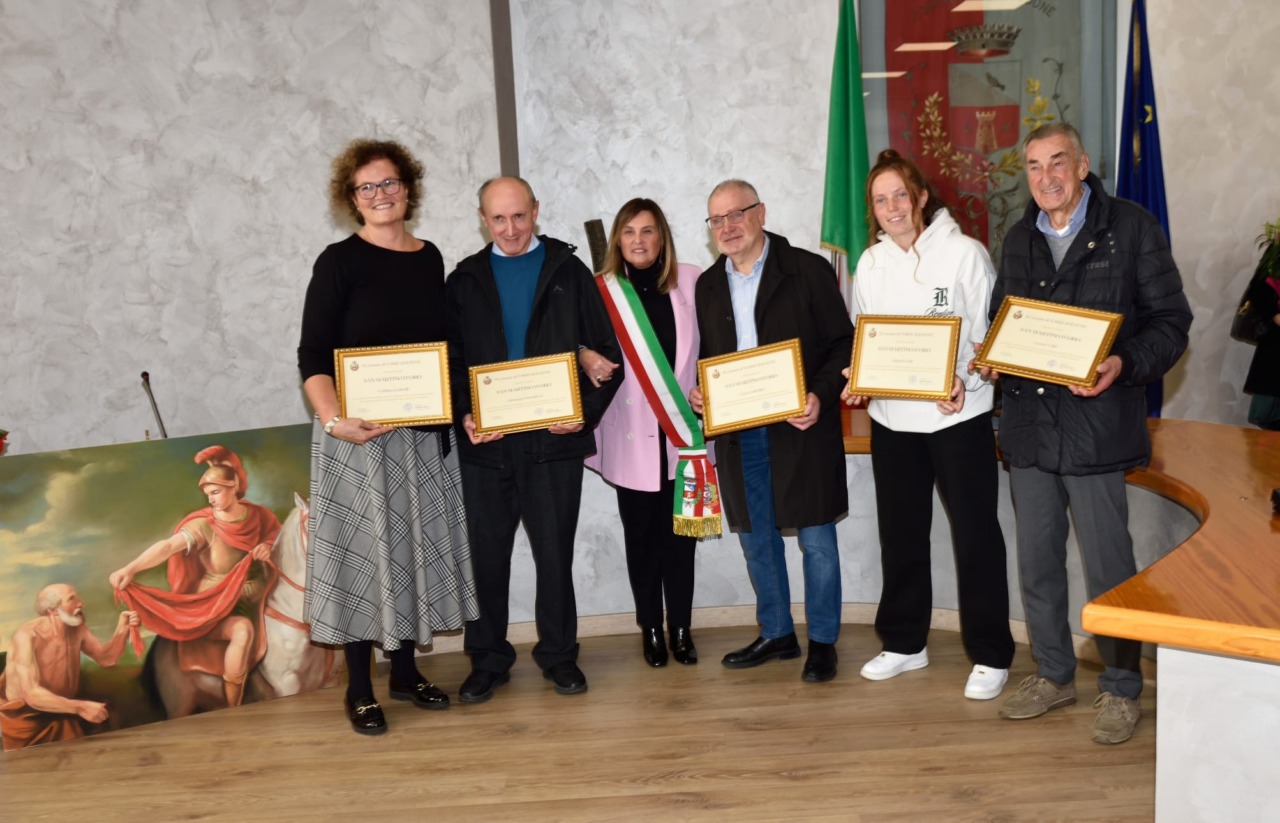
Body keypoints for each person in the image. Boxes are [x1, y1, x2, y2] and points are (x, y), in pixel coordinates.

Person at [982, 123, 1191, 744]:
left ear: (1082, 164)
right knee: (1038, 564)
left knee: (1110, 569)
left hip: (1097, 430)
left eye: (1057, 163)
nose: (1045, 178)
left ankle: (1122, 689)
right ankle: (1052, 674)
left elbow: (1172, 323)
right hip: (1028, 431)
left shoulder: (1131, 228)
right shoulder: (1019, 237)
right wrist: (994, 353)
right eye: (1034, 167)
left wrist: (1122, 363)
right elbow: (1005, 317)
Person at [297, 138, 478, 735]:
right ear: (352, 198)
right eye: (367, 187)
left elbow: (444, 347)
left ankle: (403, 672)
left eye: (390, 183)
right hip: (357, 437)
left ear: (408, 188)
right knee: (361, 558)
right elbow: (313, 356)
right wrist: (333, 421)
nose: (380, 195)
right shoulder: (338, 261)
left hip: (421, 436)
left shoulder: (430, 257)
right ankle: (358, 687)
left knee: (408, 551)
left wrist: (460, 410)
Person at [840, 150, 1015, 700]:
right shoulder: (869, 265)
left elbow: (991, 341)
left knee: (976, 536)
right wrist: (860, 376)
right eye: (880, 199)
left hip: (958, 418)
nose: (891, 207)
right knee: (902, 534)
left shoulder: (965, 255)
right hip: (893, 420)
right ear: (873, 210)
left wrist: (970, 378)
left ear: (919, 198)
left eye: (899, 195)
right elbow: (866, 340)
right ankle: (904, 643)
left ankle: (991, 653)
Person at [446, 176, 622, 702]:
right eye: (498, 219)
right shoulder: (464, 281)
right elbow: (450, 363)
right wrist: (465, 414)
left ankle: (559, 656)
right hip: (489, 444)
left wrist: (584, 417)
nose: (511, 229)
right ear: (483, 219)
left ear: (536, 212)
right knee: (487, 557)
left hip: (554, 442)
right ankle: (488, 660)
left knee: (553, 554)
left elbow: (606, 356)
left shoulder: (569, 272)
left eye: (519, 217)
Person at [689, 179, 852, 683]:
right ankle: (778, 632)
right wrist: (703, 392)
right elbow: (714, 357)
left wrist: (820, 396)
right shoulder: (708, 284)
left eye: (737, 214)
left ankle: (822, 641)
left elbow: (843, 346)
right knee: (757, 539)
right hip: (741, 433)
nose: (728, 227)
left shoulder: (807, 270)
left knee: (817, 540)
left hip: (800, 425)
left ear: (761, 213)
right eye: (718, 220)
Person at [582, 198, 717, 667]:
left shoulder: (694, 280)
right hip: (630, 438)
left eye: (648, 231)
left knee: (682, 540)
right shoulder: (600, 291)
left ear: (663, 238)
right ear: (618, 240)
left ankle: (681, 626)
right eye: (629, 232)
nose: (638, 240)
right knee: (641, 540)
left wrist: (710, 385)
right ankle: (651, 629)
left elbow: (717, 343)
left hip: (685, 435)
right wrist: (583, 355)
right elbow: (575, 342)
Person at [109, 445, 279, 710]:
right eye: (207, 494)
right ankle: (236, 706)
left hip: (258, 597)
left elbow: (276, 537)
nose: (210, 499)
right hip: (215, 605)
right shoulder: (203, 525)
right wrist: (131, 568)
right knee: (242, 631)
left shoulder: (259, 516)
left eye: (215, 492)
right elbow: (167, 547)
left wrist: (268, 546)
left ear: (233, 485)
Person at [0, 584, 139, 751]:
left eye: (77, 597)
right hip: (27, 719)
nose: (80, 603)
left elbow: (107, 659)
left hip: (62, 710)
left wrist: (123, 627)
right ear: (52, 610)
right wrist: (80, 707)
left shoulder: (77, 629)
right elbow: (32, 694)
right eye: (71, 599)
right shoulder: (28, 636)